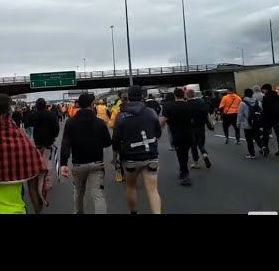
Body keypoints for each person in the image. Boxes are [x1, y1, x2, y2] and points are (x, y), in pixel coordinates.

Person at [113, 85, 162, 214]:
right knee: (153, 190)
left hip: (130, 158)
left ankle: (134, 212)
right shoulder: (151, 112)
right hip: (150, 155)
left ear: (128, 97)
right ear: (142, 96)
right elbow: (158, 132)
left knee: (131, 187)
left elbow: (116, 139)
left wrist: (115, 157)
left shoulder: (121, 116)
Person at [61, 93, 112, 214]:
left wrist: (63, 163)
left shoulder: (71, 123)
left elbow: (66, 144)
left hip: (78, 164)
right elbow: (107, 143)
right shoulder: (100, 122)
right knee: (98, 194)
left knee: (78, 192)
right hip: (97, 163)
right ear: (92, 105)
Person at [161, 88, 194, 186]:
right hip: (189, 133)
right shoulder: (188, 106)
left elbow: (163, 120)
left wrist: (159, 128)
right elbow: (192, 119)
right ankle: (183, 171)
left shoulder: (171, 107)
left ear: (175, 96)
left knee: (180, 153)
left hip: (177, 134)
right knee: (185, 152)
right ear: (183, 95)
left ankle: (185, 173)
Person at [25, 98, 60, 187]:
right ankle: (47, 181)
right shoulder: (51, 115)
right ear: (45, 105)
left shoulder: (34, 115)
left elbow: (27, 124)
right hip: (49, 141)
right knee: (48, 161)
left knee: (37, 160)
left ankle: (38, 178)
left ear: (36, 106)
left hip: (38, 141)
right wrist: (54, 136)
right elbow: (56, 127)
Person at [185, 89, 213, 169]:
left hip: (190, 127)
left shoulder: (186, 104)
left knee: (193, 146)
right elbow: (207, 111)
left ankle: (196, 163)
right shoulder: (201, 102)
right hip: (201, 126)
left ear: (186, 95)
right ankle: (204, 154)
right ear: (194, 94)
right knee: (201, 143)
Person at [237, 88, 265, 159]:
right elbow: (261, 111)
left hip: (247, 124)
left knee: (249, 140)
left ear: (245, 94)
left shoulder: (242, 103)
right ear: (252, 94)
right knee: (257, 137)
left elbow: (240, 114)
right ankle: (263, 147)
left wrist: (238, 123)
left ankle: (252, 154)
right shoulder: (257, 102)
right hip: (256, 123)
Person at [261, 84, 279, 156]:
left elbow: (265, 110)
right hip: (277, 118)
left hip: (268, 119)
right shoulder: (277, 96)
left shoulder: (266, 98)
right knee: (278, 134)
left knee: (265, 134)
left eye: (263, 89)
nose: (263, 91)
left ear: (266, 89)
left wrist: (263, 119)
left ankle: (266, 148)